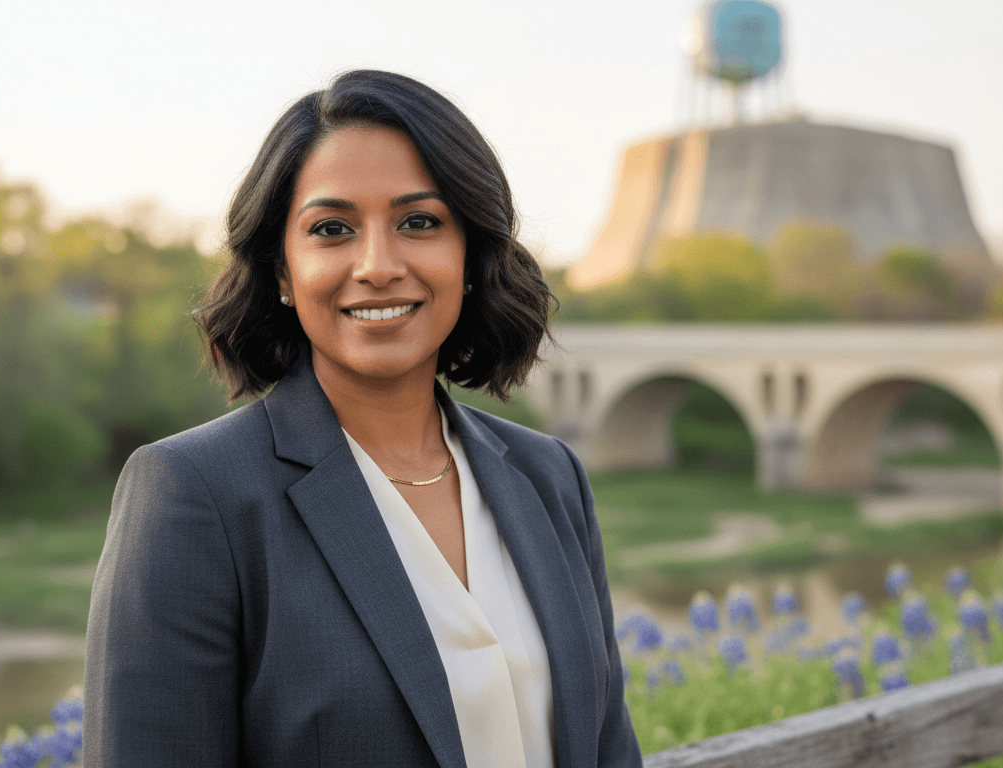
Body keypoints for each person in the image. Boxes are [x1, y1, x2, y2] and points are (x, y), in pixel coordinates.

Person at [82, 69, 642, 767]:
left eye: (419, 222)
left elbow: (610, 750)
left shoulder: (547, 475)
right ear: (282, 271)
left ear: (468, 254)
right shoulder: (194, 494)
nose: (378, 264)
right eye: (332, 229)